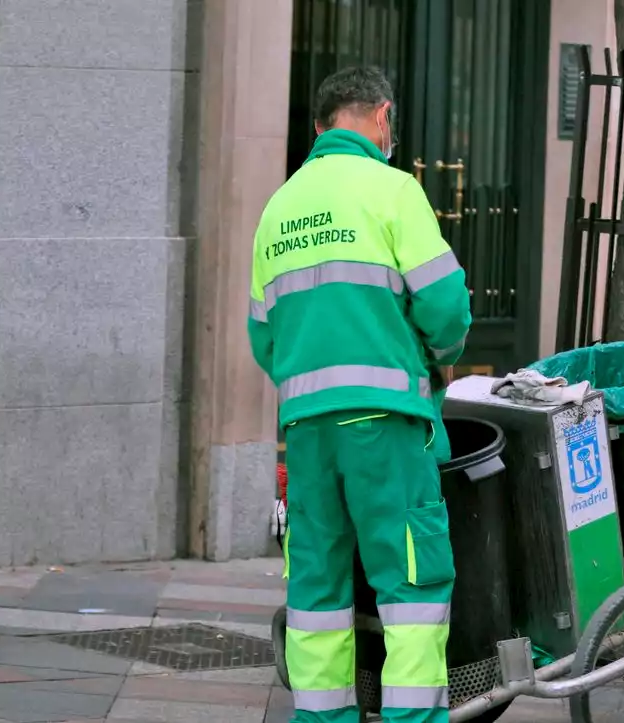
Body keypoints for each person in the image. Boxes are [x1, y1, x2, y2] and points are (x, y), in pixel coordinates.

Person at [248, 66, 472, 723]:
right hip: (386, 423)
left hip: (308, 430)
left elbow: (263, 336)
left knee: (316, 584)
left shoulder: (278, 208)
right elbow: (446, 307)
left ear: (319, 128)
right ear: (381, 116)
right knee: (411, 584)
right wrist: (435, 358)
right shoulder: (392, 189)